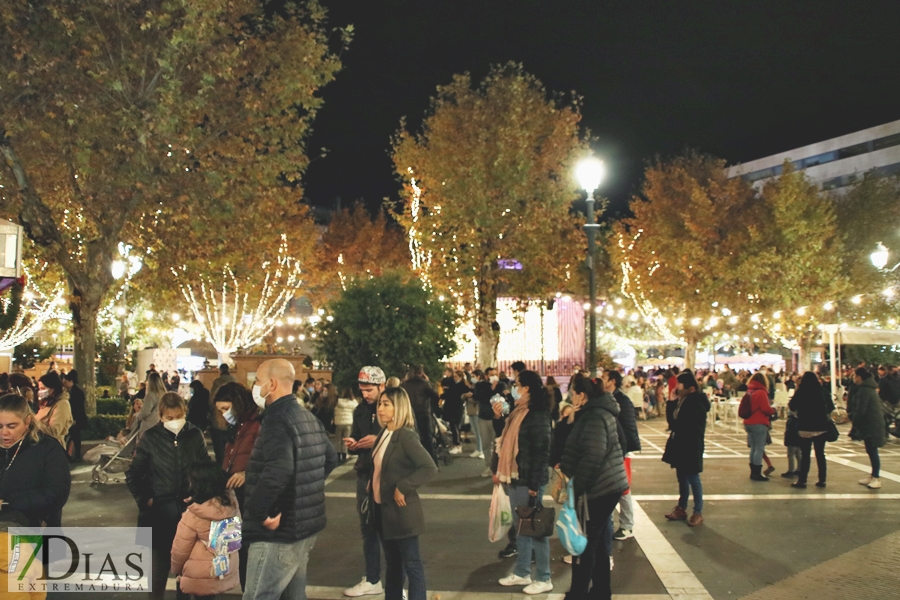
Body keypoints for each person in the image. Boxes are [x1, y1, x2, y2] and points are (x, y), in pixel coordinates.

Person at [242, 358, 338, 600]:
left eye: (258, 381)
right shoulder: (306, 416)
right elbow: (329, 459)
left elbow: (278, 470)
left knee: (259, 595)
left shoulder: (276, 420)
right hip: (305, 525)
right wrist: (304, 489)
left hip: (278, 531)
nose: (255, 386)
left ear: (272, 384)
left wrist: (260, 512)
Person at [126, 392, 210, 600]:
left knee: (186, 573)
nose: (174, 422)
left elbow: (206, 469)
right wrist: (146, 499)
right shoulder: (151, 437)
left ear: (184, 413)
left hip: (188, 514)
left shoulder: (194, 435)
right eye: (169, 418)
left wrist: (198, 497)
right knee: (157, 571)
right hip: (158, 514)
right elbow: (134, 473)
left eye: (178, 416)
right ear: (161, 416)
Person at [560, 375, 629, 600]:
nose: (570, 397)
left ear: (581, 395)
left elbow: (593, 455)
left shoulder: (594, 416)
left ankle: (578, 594)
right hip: (607, 485)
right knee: (596, 544)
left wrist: (576, 488)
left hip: (599, 488)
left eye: (572, 393)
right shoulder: (595, 413)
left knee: (584, 546)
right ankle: (600, 591)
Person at [368, 387, 438, 600]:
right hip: (382, 509)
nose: (380, 408)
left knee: (412, 563)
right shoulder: (385, 432)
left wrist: (403, 486)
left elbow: (428, 467)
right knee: (392, 564)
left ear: (399, 407)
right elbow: (381, 466)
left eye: (386, 404)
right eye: (380, 403)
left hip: (401, 511)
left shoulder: (406, 436)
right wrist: (372, 483)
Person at [493, 369, 553, 595]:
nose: (514, 388)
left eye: (517, 384)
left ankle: (544, 577)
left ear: (527, 388)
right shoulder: (520, 411)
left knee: (534, 527)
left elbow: (542, 451)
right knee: (521, 527)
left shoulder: (536, 414)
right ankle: (521, 572)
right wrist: (499, 418)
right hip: (516, 476)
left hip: (528, 478)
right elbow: (507, 439)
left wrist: (534, 486)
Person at [344, 367, 386, 598]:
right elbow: (357, 436)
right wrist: (354, 443)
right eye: (362, 391)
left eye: (369, 390)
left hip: (388, 475)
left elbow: (406, 437)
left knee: (390, 530)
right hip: (364, 473)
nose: (366, 395)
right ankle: (372, 578)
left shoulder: (392, 406)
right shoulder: (360, 410)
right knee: (368, 528)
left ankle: (395, 581)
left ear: (382, 386)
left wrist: (378, 440)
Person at [170, 462, 241, 600]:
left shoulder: (193, 515)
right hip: (223, 567)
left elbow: (180, 550)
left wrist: (177, 570)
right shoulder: (232, 506)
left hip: (198, 573)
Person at [0, 393, 71, 527]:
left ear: (27, 422)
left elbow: (56, 494)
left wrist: (7, 502)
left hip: (35, 530)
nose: (4, 433)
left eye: (11, 426)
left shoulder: (48, 448)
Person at [217, 382, 261, 591]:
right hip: (233, 494)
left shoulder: (258, 424)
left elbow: (266, 459)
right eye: (221, 411)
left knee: (248, 551)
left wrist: (246, 473)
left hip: (249, 495)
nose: (224, 414)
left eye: (226, 409)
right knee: (236, 549)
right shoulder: (238, 426)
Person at [662, 371, 710, 527]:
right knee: (682, 477)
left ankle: (698, 511)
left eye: (679, 384)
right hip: (680, 444)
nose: (676, 387)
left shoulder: (695, 402)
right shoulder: (683, 400)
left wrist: (673, 403)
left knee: (693, 478)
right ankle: (681, 508)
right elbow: (672, 422)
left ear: (689, 387)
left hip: (691, 444)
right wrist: (671, 401)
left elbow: (680, 423)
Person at [603, 370, 641, 542]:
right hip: (613, 449)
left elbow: (627, 428)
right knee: (613, 487)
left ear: (611, 381)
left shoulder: (622, 400)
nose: (601, 381)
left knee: (623, 488)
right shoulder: (610, 398)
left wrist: (622, 449)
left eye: (604, 378)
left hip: (621, 450)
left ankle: (627, 526)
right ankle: (612, 523)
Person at [788, 372, 835, 488]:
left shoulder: (801, 392)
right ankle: (822, 480)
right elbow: (831, 407)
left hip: (805, 427)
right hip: (821, 427)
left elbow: (792, 406)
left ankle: (802, 480)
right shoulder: (823, 392)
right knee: (820, 454)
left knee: (805, 455)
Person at [849, 367, 885, 489]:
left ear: (860, 377)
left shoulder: (865, 390)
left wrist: (854, 422)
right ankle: (873, 475)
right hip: (871, 424)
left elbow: (861, 409)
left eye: (855, 376)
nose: (854, 378)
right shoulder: (868, 388)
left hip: (872, 425)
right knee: (870, 450)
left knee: (873, 451)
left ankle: (876, 478)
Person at [742, 373, 776, 481]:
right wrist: (773, 411)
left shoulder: (749, 391)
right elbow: (765, 408)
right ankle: (757, 473)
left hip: (748, 422)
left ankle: (753, 471)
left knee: (753, 448)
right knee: (759, 448)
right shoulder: (761, 393)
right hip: (759, 422)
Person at [401, 365, 438, 460]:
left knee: (412, 438)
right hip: (423, 412)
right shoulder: (424, 384)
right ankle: (432, 461)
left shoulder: (405, 384)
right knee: (427, 438)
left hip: (410, 413)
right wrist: (429, 382)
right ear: (421, 373)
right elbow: (435, 395)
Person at [475, 367, 506, 477]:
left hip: (496, 418)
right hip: (484, 417)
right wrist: (492, 389)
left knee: (497, 443)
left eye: (495, 374)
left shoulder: (501, 385)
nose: (494, 376)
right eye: (491, 374)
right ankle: (489, 466)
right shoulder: (480, 385)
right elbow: (479, 397)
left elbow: (503, 398)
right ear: (487, 376)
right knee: (486, 444)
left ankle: (498, 467)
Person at [35, 371, 72, 448]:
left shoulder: (62, 404)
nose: (40, 391)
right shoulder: (47, 402)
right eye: (39, 388)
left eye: (43, 388)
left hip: (53, 447)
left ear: (53, 389)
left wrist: (34, 423)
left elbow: (54, 431)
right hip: (42, 445)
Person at [133, 372, 167, 443]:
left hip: (150, 425)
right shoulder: (164, 395)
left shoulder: (151, 395)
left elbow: (145, 412)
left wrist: (139, 417)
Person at [441, 370, 468, 454]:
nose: (454, 378)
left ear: (460, 377)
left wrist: (444, 395)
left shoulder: (461, 386)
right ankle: (456, 444)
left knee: (455, 426)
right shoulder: (454, 385)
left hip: (457, 408)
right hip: (453, 407)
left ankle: (457, 444)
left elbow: (453, 394)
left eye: (456, 377)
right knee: (453, 426)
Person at [62, 370, 87, 462]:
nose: (64, 384)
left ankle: (75, 455)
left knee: (75, 437)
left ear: (71, 381)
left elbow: (78, 408)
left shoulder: (77, 392)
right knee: (73, 437)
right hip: (73, 418)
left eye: (66, 382)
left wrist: (75, 419)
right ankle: (72, 455)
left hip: (76, 419)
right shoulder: (71, 391)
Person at [334, 387, 358, 463]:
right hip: (348, 422)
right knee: (346, 439)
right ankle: (344, 454)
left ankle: (338, 454)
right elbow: (356, 407)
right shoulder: (352, 402)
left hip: (338, 423)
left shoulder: (337, 401)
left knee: (338, 439)